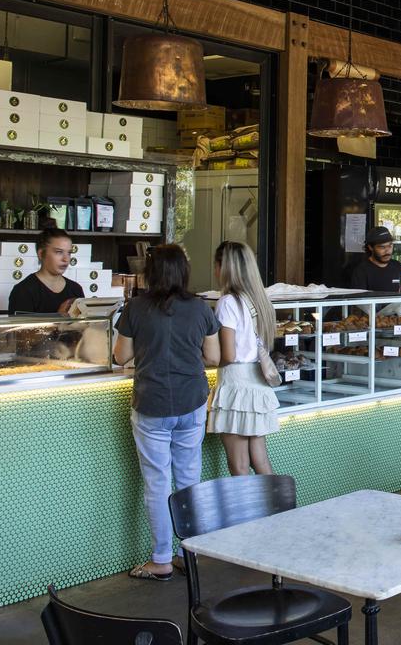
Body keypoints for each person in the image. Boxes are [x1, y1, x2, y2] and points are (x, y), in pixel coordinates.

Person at [113, 244, 220, 581]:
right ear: (183, 271)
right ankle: (189, 554)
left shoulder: (136, 308)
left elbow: (120, 357)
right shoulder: (200, 308)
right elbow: (214, 357)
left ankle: (161, 558)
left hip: (152, 403)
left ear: (151, 272)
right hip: (192, 401)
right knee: (189, 479)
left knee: (157, 482)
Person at [207, 241, 280, 476]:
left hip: (235, 385)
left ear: (224, 267)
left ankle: (248, 514)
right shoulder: (261, 300)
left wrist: (205, 358)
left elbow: (227, 355)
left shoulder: (228, 303)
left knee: (238, 465)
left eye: (216, 265)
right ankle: (276, 510)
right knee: (260, 461)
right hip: (258, 383)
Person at [7, 228, 84, 315]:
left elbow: (83, 326)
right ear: (41, 254)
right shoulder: (23, 291)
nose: (66, 259)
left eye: (69, 253)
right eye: (59, 252)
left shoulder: (76, 289)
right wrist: (57, 318)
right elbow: (20, 328)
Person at [350, 226, 401, 293]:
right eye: (382, 247)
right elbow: (360, 300)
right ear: (370, 247)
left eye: (390, 245)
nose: (387, 251)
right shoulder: (361, 271)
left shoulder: (397, 266)